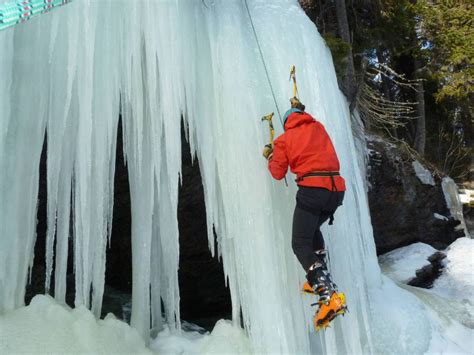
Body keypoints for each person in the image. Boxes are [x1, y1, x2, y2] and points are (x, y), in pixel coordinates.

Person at [262, 97, 345, 308]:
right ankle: (317, 272)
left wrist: (271, 156)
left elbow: (278, 173)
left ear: (286, 122)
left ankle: (325, 289)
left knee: (299, 243)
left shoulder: (284, 139)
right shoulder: (319, 128)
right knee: (312, 227)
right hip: (336, 192)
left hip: (312, 191)